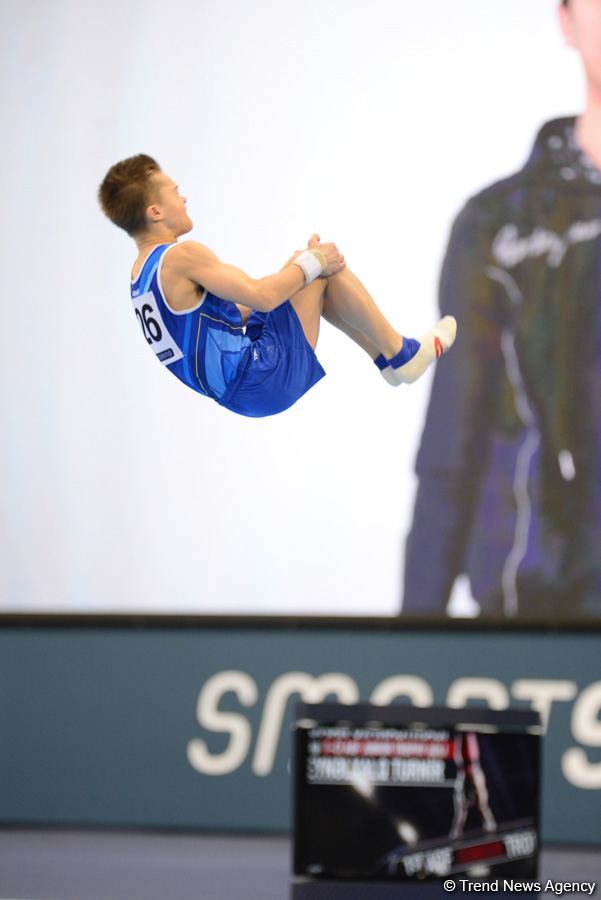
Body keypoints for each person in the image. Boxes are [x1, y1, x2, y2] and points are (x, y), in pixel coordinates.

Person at [403, 0, 601, 618]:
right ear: (566, 19)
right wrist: (409, 640)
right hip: (536, 614)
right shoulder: (496, 227)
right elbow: (452, 439)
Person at [98, 157, 456, 418]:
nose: (184, 199)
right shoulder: (180, 257)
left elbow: (235, 314)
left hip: (240, 392)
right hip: (259, 375)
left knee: (309, 271)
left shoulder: (140, 277)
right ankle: (402, 354)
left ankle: (388, 360)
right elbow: (264, 297)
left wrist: (302, 266)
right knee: (316, 270)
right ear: (155, 212)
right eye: (175, 192)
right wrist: (314, 262)